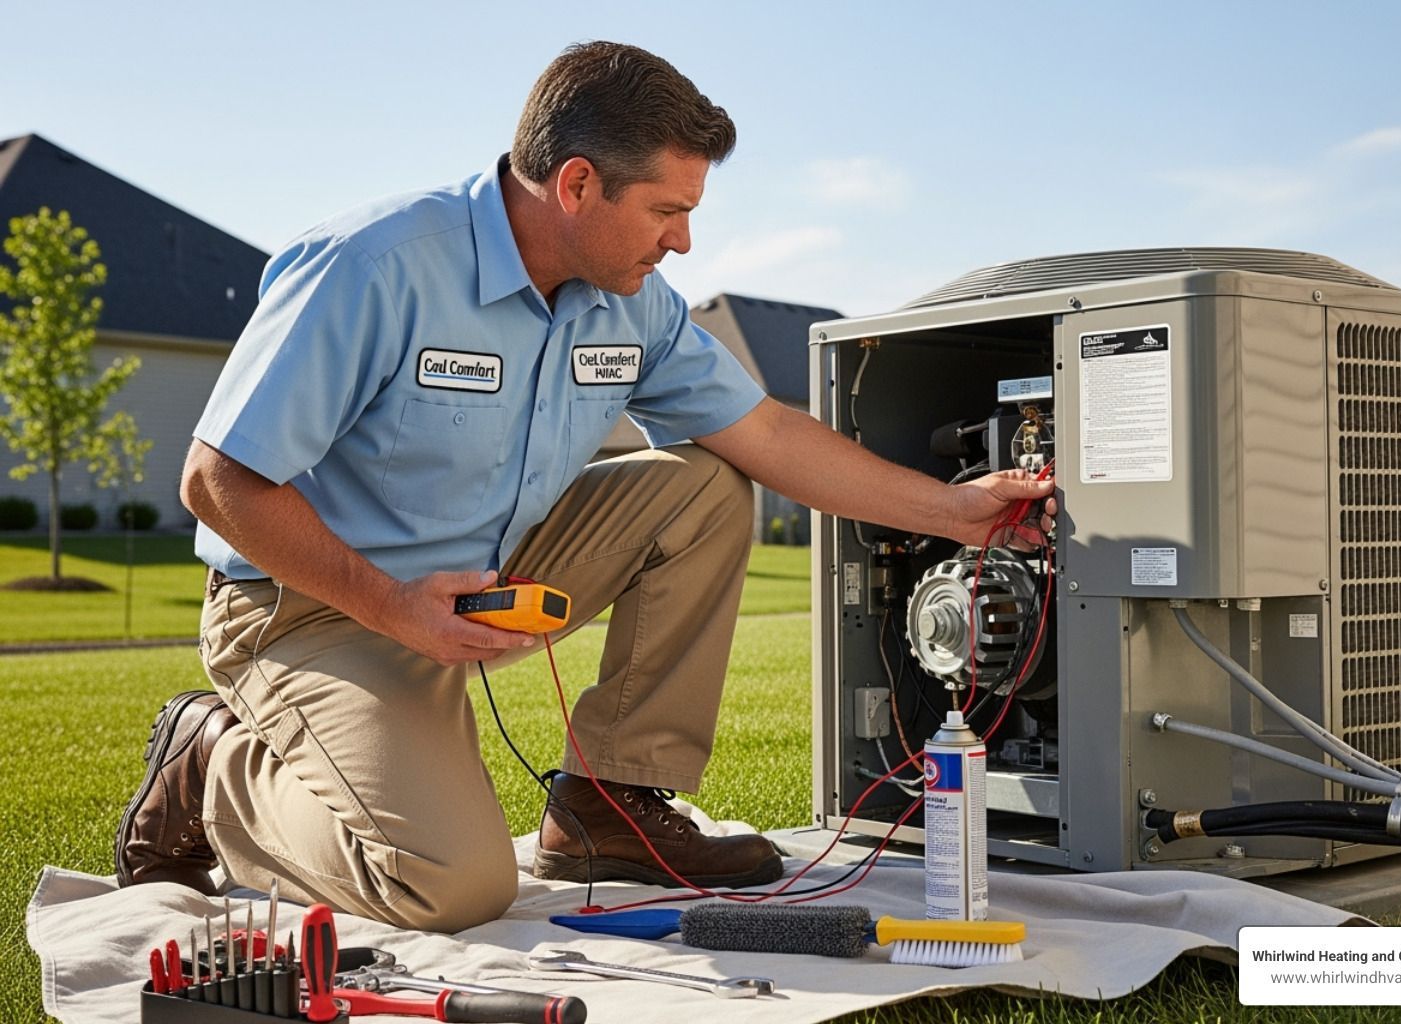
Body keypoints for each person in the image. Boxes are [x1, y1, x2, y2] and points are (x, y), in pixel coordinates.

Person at [114, 41, 1055, 932]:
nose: (682, 240)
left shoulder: (633, 302)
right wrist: (391, 606)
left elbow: (766, 432)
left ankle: (608, 804)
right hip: (314, 608)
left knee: (708, 482)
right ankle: (212, 765)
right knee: (451, 886)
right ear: (576, 184)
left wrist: (957, 513)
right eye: (664, 210)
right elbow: (218, 479)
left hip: (487, 582)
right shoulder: (376, 266)